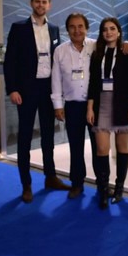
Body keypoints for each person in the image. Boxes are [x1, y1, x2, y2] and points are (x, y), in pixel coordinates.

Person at [3, 0, 71, 204]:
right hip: (26, 89)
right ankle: (26, 184)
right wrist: (12, 89)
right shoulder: (19, 28)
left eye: (44, 2)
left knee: (48, 136)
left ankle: (51, 177)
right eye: (37, 1)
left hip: (47, 89)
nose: (41, 5)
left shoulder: (54, 29)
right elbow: (10, 61)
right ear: (31, 3)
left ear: (49, 5)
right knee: (24, 137)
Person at [87, 17, 128, 209]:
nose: (108, 32)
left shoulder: (127, 52)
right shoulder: (96, 54)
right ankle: (103, 189)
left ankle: (119, 188)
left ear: (118, 32)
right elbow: (93, 83)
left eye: (112, 29)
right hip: (101, 104)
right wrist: (90, 107)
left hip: (122, 103)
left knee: (122, 148)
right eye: (105, 29)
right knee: (101, 149)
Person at [51, 13, 98, 199]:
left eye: (80, 26)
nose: (77, 30)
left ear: (86, 28)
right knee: (76, 147)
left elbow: (117, 48)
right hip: (72, 106)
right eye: (72, 27)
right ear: (67, 29)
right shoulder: (60, 51)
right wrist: (57, 105)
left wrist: (126, 44)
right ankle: (77, 183)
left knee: (99, 147)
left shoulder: (96, 46)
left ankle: (102, 184)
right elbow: (56, 80)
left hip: (95, 105)